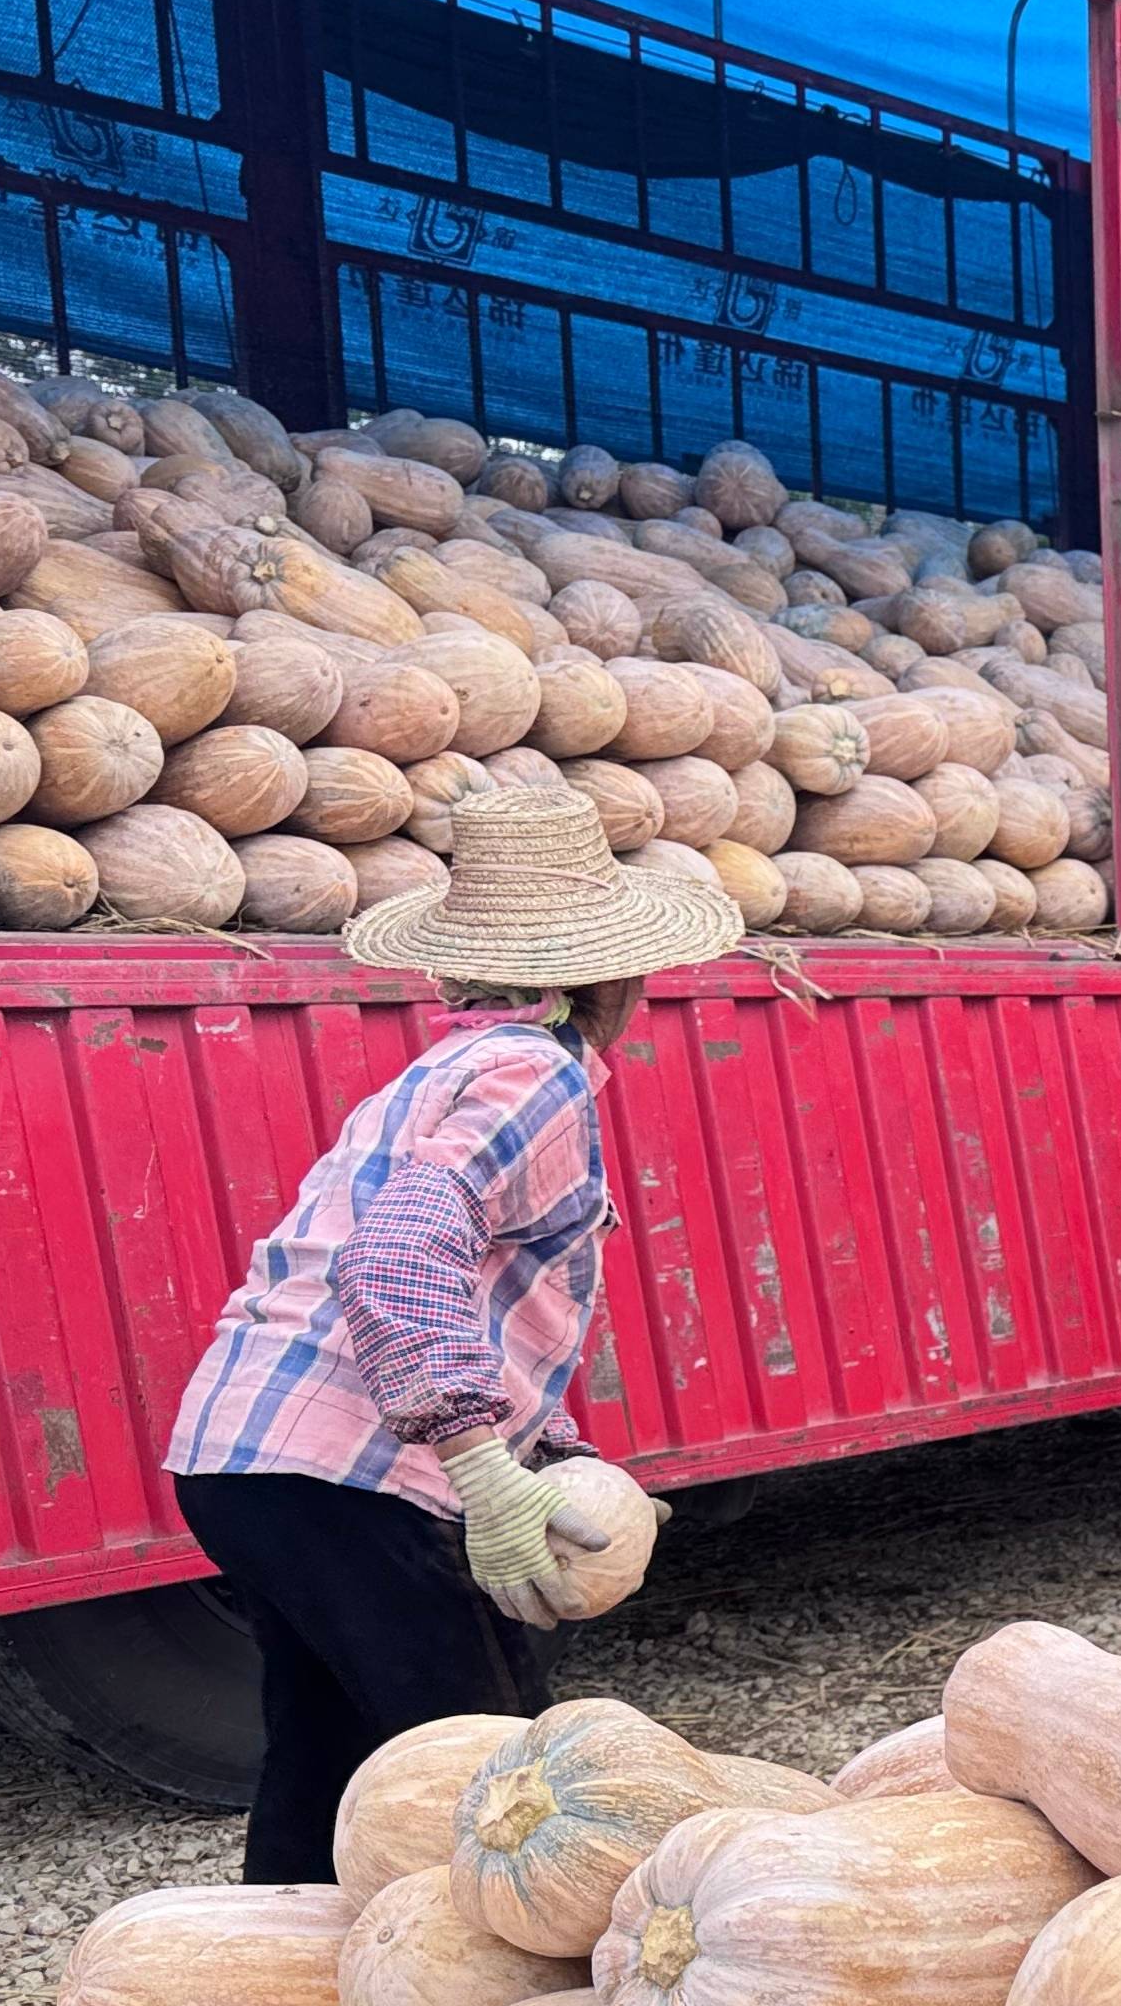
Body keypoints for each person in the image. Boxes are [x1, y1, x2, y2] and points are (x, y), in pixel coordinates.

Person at [165, 784, 727, 1883]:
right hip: (343, 1474)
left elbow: (465, 1285)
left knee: (326, 1748)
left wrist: (553, 1458)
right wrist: (483, 1466)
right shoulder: (534, 1073)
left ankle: (276, 1985)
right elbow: (396, 1259)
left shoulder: (454, 1067)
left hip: (248, 1458)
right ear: (614, 978)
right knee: (513, 1777)